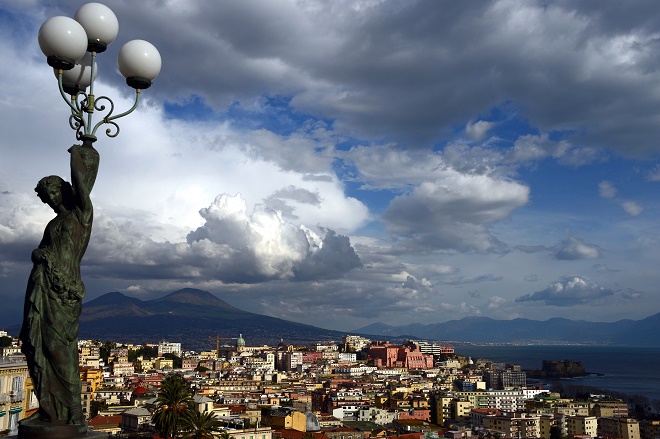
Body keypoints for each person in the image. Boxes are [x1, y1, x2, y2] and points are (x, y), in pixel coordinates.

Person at [19, 141, 99, 428]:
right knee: (37, 344)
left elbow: (82, 183)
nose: (50, 198)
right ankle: (51, 408)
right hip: (42, 286)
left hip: (65, 289)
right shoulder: (52, 224)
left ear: (63, 190)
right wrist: (38, 254)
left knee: (58, 347)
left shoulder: (81, 215)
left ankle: (72, 412)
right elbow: (39, 249)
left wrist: (79, 152)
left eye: (53, 191)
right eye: (45, 196)